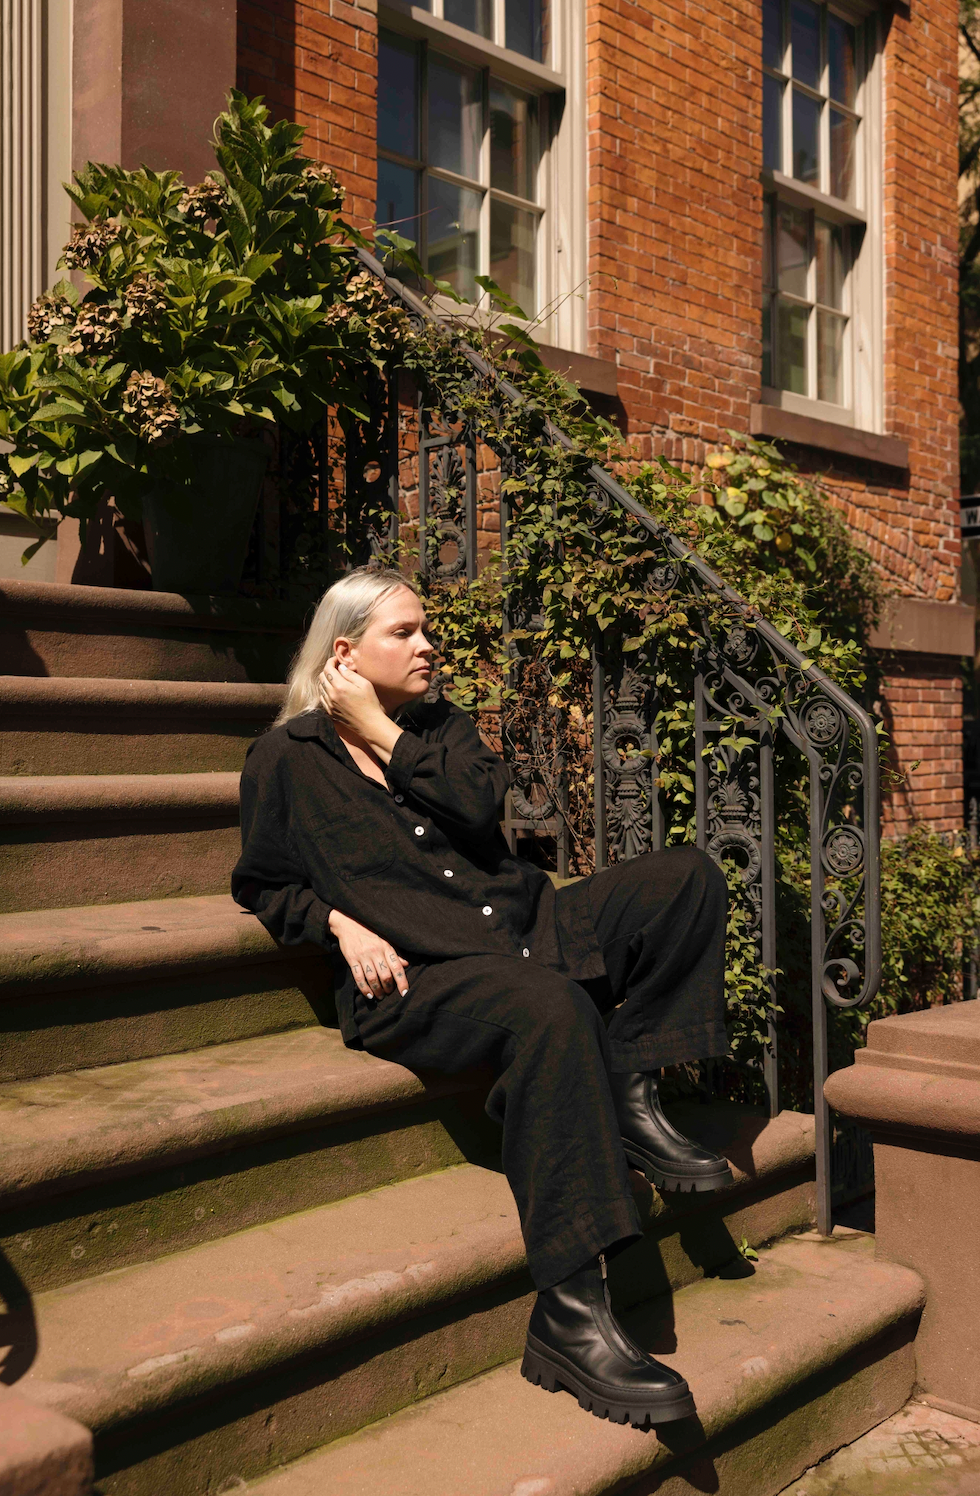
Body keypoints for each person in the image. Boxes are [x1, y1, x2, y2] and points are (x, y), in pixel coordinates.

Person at [232, 565, 734, 1429]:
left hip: (528, 929)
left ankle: (632, 1091)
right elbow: (265, 886)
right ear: (345, 652)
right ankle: (572, 1315)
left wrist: (382, 731)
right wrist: (340, 926)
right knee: (549, 1009)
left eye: (426, 631)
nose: (429, 645)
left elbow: (477, 800)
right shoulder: (285, 759)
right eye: (405, 633)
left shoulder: (440, 729)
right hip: (424, 978)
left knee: (686, 877)